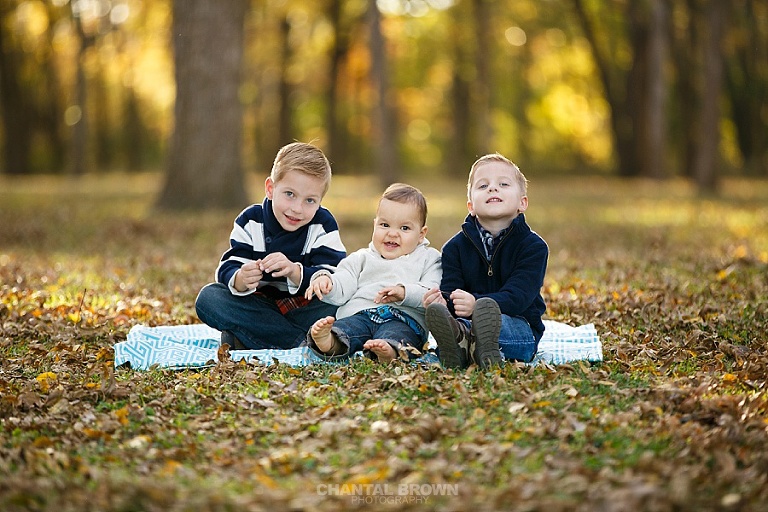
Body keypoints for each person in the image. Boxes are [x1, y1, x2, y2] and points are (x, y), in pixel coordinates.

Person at [195, 142, 346, 350]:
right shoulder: (250, 220)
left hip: (304, 308)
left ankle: (250, 337)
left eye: (310, 200)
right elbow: (228, 265)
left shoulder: (323, 224)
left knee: (344, 301)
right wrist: (240, 278)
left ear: (320, 201)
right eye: (290, 194)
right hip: (259, 307)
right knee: (209, 298)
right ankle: (299, 342)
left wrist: (295, 272)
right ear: (270, 189)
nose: (297, 209)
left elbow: (333, 274)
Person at [423, 153, 548, 369]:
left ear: (522, 202)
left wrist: (476, 303)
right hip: (468, 323)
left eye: (503, 184)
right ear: (470, 205)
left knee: (493, 324)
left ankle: (469, 347)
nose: (492, 188)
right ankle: (465, 348)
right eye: (483, 186)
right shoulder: (454, 248)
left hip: (519, 326)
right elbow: (452, 292)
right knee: (459, 324)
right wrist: (443, 302)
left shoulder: (533, 247)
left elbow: (518, 297)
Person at [305, 183, 442, 363]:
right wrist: (328, 282)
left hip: (403, 319)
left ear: (421, 234)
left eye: (404, 228)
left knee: (399, 336)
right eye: (385, 225)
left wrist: (404, 292)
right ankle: (329, 343)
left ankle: (389, 352)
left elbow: (431, 292)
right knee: (346, 329)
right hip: (361, 314)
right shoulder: (362, 257)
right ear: (374, 225)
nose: (392, 234)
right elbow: (345, 279)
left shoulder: (429, 258)